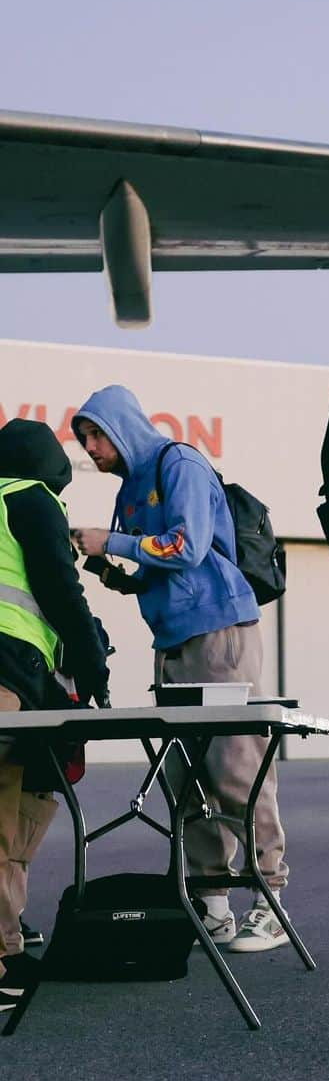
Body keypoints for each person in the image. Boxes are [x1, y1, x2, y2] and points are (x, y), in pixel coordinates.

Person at [70, 388, 289, 953]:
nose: (91, 448)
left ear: (123, 427)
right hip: (172, 640)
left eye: (97, 434)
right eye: (83, 438)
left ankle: (270, 902)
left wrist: (111, 538)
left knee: (237, 767)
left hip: (220, 632)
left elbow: (188, 548)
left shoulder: (180, 462)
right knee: (185, 777)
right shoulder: (132, 488)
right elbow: (157, 567)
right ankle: (212, 903)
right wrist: (113, 571)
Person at [0, 419, 110, 1004]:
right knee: (5, 809)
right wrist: (93, 665)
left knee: (17, 808)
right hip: (6, 666)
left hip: (20, 672)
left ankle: (7, 948)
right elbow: (60, 589)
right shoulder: (29, 497)